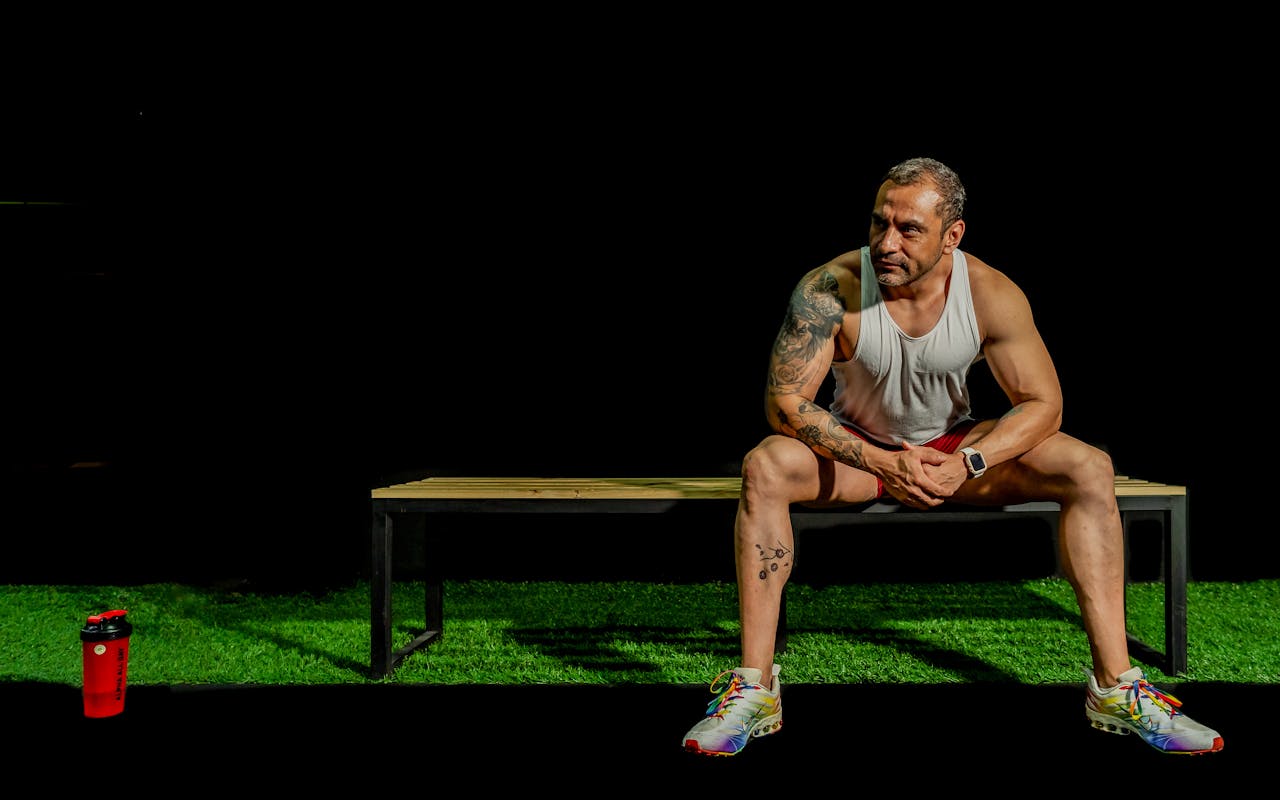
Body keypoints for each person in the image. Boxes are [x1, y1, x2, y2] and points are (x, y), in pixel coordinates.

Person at [681, 156, 1223, 757]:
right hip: (860, 455)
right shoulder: (830, 287)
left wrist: (969, 461)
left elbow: (1044, 403)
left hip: (951, 453)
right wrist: (884, 463)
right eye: (879, 223)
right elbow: (785, 404)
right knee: (765, 464)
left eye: (909, 229)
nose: (887, 242)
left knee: (1087, 465)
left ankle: (1116, 687)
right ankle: (756, 689)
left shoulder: (990, 292)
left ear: (952, 235)